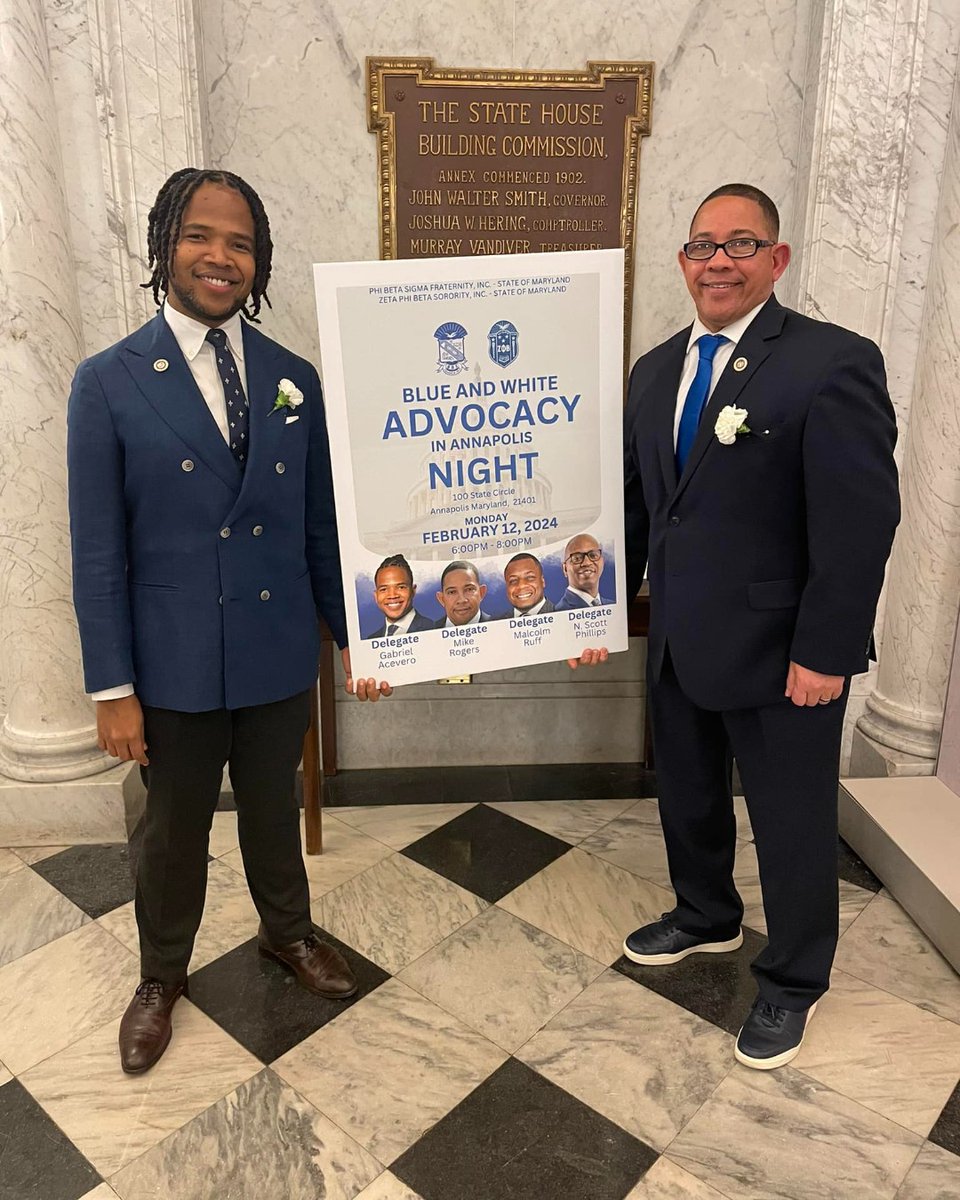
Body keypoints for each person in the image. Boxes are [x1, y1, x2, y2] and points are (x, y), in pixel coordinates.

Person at [67, 167, 390, 1075]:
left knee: (270, 812)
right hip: (170, 663)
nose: (221, 256)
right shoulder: (109, 382)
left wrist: (355, 636)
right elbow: (98, 552)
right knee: (172, 829)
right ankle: (160, 976)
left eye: (240, 242)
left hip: (275, 648)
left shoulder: (293, 380)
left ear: (260, 260)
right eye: (201, 235)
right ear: (166, 245)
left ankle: (286, 933)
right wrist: (112, 689)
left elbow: (318, 523)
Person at [610, 183, 899, 1069]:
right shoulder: (656, 369)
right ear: (683, 262)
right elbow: (636, 507)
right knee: (688, 794)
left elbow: (860, 521)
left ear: (777, 260)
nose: (719, 261)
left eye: (741, 244)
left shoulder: (830, 360)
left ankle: (794, 980)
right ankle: (704, 915)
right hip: (680, 642)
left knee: (790, 819)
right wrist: (596, 608)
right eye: (702, 245)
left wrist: (826, 651)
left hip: (784, 654)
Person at [363, 554, 434, 638]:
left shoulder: (433, 628)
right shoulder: (371, 640)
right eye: (384, 589)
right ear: (376, 596)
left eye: (401, 587)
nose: (392, 595)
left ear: (413, 591)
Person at [555, 533, 612, 609]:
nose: (587, 563)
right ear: (565, 569)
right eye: (577, 558)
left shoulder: (613, 606)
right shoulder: (560, 611)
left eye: (593, 555)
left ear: (602, 562)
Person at [496, 552, 555, 619]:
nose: (521, 585)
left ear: (543, 581)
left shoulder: (562, 614)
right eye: (513, 580)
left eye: (529, 577)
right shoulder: (494, 624)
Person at [434, 560, 491, 627]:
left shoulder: (499, 626)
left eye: (469, 589)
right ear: (442, 599)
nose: (462, 600)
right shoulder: (428, 631)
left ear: (481, 593)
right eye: (452, 592)